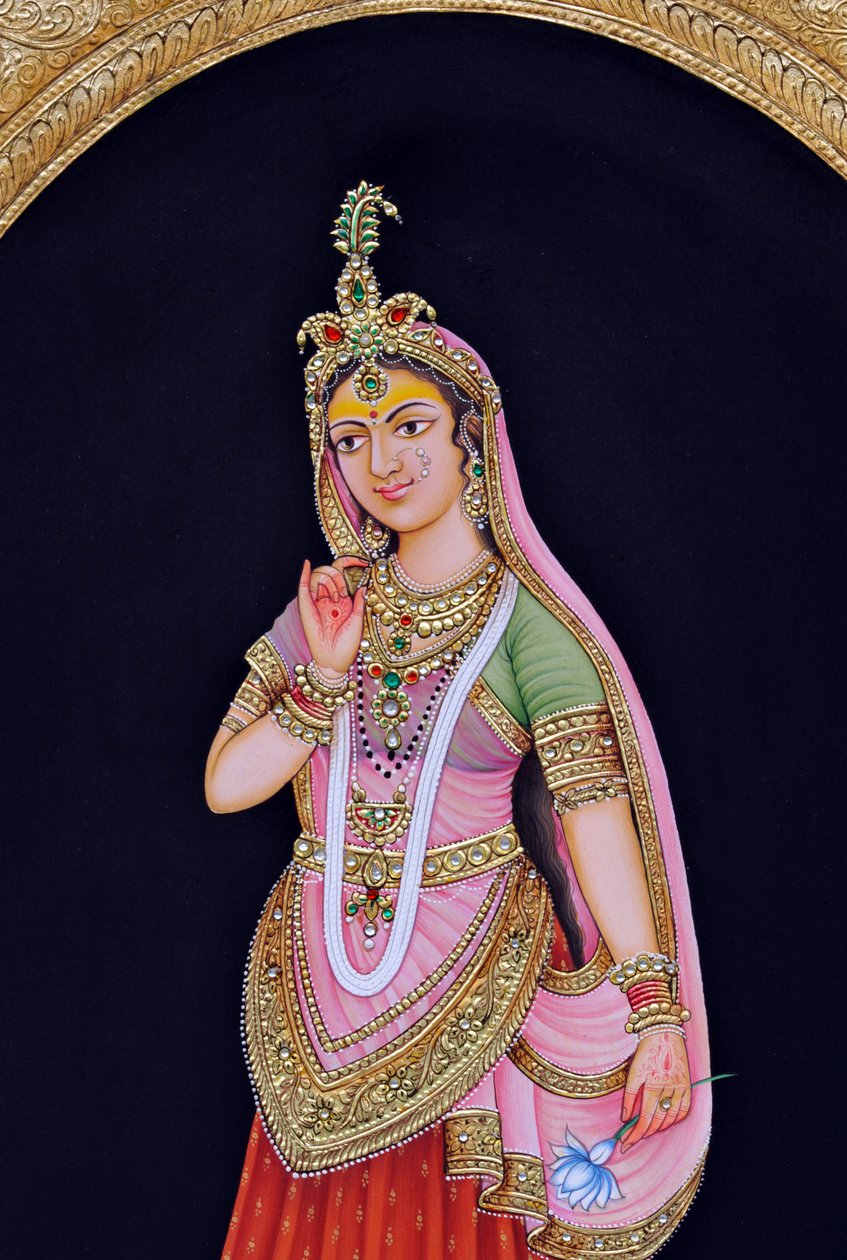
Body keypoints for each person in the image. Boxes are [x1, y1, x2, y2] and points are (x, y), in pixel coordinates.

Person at [206, 182, 710, 1260]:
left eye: (410, 428)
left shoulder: (530, 629)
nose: (382, 463)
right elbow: (227, 785)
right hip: (321, 977)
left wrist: (655, 1010)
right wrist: (323, 678)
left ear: (471, 439)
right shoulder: (331, 607)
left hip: (474, 976)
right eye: (350, 440)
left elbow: (594, 820)